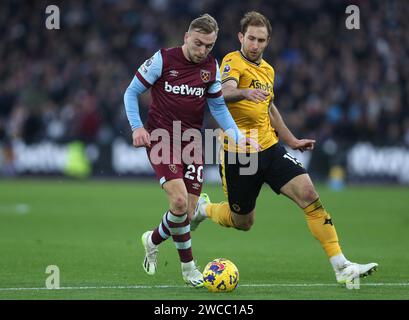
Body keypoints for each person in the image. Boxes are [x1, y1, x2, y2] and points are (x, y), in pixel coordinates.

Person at [191, 11, 378, 285]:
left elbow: (270, 108)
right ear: (241, 37)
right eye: (251, 38)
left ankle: (341, 266)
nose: (255, 44)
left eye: (261, 40)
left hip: (270, 147)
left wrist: (291, 140)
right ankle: (203, 210)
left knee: (309, 195)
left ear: (268, 41)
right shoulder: (232, 62)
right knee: (242, 221)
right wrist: (244, 92)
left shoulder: (268, 70)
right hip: (240, 156)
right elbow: (223, 92)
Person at [123, 14, 258, 287]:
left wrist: (237, 135)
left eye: (209, 46)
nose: (203, 51)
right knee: (180, 203)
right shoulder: (163, 59)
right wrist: (137, 127)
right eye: (198, 44)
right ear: (186, 37)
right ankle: (189, 269)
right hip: (161, 138)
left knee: (187, 210)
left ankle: (152, 239)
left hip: (192, 143)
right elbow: (131, 92)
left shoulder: (211, 66)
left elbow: (218, 106)